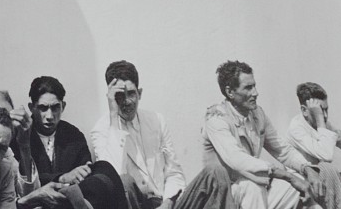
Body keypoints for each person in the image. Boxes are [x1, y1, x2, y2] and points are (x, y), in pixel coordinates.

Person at [92, 60, 236, 209]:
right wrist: (114, 118)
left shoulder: (156, 120)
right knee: (124, 181)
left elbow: (174, 173)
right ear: (111, 98)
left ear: (139, 93)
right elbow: (112, 182)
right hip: (134, 205)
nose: (127, 101)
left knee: (216, 172)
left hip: (165, 203)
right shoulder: (102, 129)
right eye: (120, 96)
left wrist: (167, 203)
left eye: (131, 94)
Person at [202, 60, 322, 209]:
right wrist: (287, 176)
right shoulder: (216, 118)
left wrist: (307, 168)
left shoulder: (257, 114)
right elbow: (237, 159)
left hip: (253, 193)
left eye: (254, 86)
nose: (255, 93)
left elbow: (282, 149)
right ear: (230, 92)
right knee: (254, 186)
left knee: (299, 184)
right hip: (223, 196)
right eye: (248, 88)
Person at [287, 82, 341, 208]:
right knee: (327, 168)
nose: (325, 116)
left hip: (326, 178)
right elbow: (326, 155)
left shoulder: (323, 124)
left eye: (326, 110)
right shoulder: (296, 128)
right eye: (320, 111)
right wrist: (320, 119)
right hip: (304, 182)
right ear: (304, 111)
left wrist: (321, 120)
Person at [27, 76, 91, 188]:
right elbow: (20, 177)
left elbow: (86, 173)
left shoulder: (74, 135)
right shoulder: (21, 136)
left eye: (55, 107)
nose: (50, 116)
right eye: (43, 108)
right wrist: (62, 178)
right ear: (31, 108)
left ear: (63, 106)